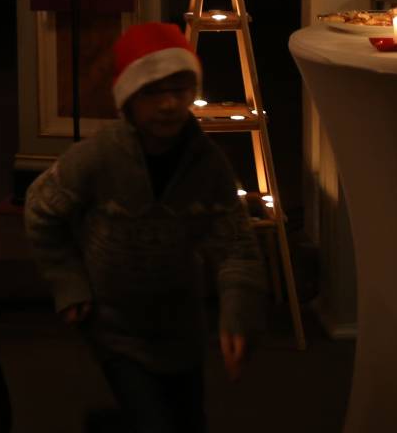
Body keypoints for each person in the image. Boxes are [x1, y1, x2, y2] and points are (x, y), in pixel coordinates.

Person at [25, 22, 266, 432]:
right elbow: (41, 208)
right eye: (153, 92)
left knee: (187, 421)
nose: (169, 104)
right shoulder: (98, 156)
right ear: (128, 99)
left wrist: (237, 311)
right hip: (114, 327)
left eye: (180, 89)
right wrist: (67, 280)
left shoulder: (208, 165)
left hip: (182, 329)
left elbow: (235, 246)